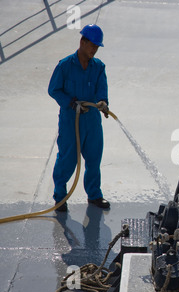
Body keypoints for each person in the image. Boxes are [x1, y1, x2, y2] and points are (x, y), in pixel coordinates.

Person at [48, 24, 110, 212]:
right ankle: (60, 197)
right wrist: (70, 102)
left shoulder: (98, 67)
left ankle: (94, 195)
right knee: (67, 160)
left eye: (97, 47)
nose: (94, 49)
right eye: (92, 45)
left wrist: (103, 102)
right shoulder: (65, 66)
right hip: (70, 122)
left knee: (93, 160)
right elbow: (53, 89)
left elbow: (102, 90)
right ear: (82, 42)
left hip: (92, 122)